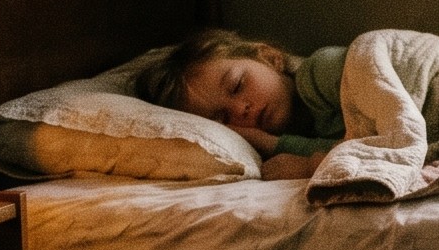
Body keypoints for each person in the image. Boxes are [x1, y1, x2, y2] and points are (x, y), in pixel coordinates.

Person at [133, 29, 343, 179]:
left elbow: (359, 150)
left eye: (237, 86)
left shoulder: (320, 72)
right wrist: (269, 143)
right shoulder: (284, 145)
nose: (240, 110)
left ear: (269, 57)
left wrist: (306, 165)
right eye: (223, 118)